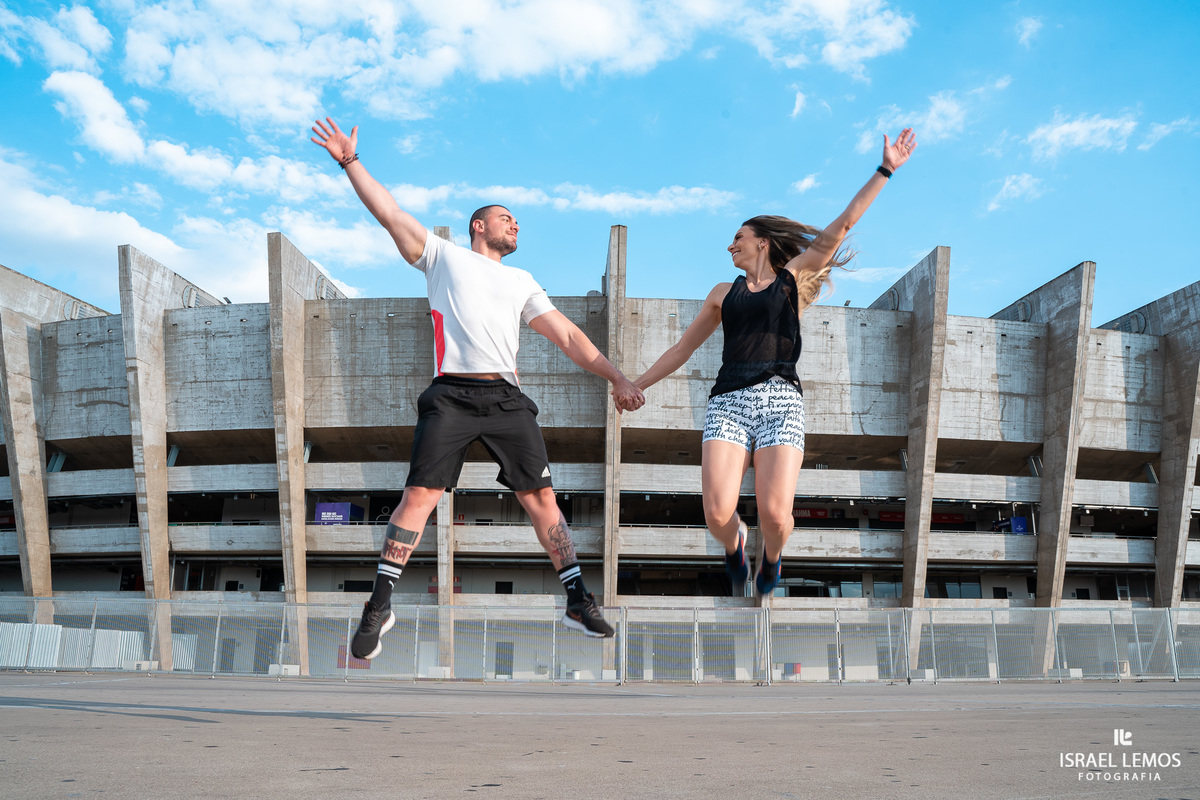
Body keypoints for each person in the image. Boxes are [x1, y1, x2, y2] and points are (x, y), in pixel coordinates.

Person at [311, 118, 645, 658]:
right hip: (451, 395)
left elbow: (566, 334)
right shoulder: (443, 257)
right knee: (419, 495)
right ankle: (379, 603)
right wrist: (351, 162)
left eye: (517, 221)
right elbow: (389, 213)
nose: (515, 225)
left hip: (506, 398)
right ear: (477, 225)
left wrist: (618, 376)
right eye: (504, 218)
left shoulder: (522, 280)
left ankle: (578, 599)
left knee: (541, 498)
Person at [633, 129, 917, 597]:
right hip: (728, 401)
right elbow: (681, 350)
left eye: (738, 238)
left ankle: (771, 555)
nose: (730, 246)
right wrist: (636, 384)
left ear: (763, 242)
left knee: (776, 516)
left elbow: (841, 227)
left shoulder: (793, 279)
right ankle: (736, 544)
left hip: (781, 402)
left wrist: (885, 169)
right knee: (718, 514)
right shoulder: (721, 294)